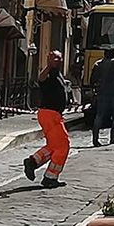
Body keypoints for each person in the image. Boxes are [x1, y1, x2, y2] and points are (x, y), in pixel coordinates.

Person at [23, 50, 70, 189]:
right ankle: (50, 177)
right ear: (49, 59)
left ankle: (33, 162)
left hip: (53, 114)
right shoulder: (48, 72)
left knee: (54, 146)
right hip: (49, 114)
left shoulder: (58, 73)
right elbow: (40, 79)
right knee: (63, 146)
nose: (58, 60)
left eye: (59, 58)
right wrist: (48, 66)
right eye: (54, 58)